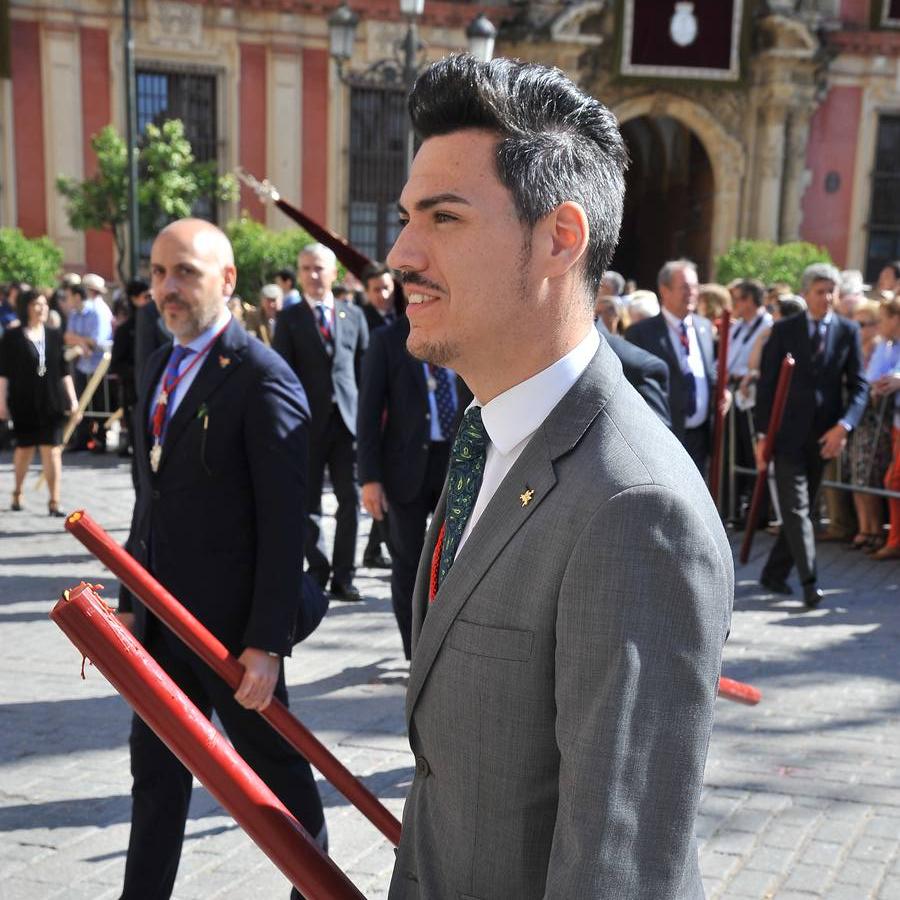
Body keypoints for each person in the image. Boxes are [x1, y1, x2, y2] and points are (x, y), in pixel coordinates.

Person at [385, 54, 732, 899]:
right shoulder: (486, 437)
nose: (399, 254)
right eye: (406, 217)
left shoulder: (634, 509)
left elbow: (617, 870)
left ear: (559, 238)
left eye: (445, 218)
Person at [116, 218, 325, 900]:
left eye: (186, 273)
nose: (167, 289)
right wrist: (127, 601)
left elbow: (287, 522)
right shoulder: (158, 363)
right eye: (157, 274)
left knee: (284, 794)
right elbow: (151, 498)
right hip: (160, 627)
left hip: (230, 640)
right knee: (155, 786)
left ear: (228, 281)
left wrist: (266, 643)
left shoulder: (262, 378)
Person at [358, 314, 471, 659]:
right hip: (403, 470)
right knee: (408, 562)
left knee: (457, 559)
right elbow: (368, 411)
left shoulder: (465, 329)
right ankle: (416, 653)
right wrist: (369, 479)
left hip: (458, 462)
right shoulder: (387, 340)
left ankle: (449, 649)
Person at [756, 263, 869, 608]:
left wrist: (844, 426)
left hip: (825, 438)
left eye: (831, 291)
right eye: (820, 291)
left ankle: (774, 573)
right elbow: (767, 385)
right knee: (798, 508)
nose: (827, 297)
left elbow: (859, 386)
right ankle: (809, 582)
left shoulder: (848, 331)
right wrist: (763, 434)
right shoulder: (785, 330)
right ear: (806, 295)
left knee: (798, 512)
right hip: (787, 436)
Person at [273, 243, 369, 601]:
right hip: (307, 426)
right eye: (306, 269)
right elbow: (282, 375)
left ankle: (345, 575)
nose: (313, 275)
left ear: (334, 274)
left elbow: (363, 369)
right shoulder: (290, 318)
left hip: (347, 423)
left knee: (350, 500)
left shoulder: (353, 315)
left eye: (319, 268)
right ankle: (318, 568)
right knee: (308, 502)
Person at [626, 259, 722, 474]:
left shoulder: (704, 327)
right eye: (685, 287)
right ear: (664, 290)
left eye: (695, 287)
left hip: (701, 438)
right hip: (663, 437)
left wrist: (722, 391)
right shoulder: (641, 333)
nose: (692, 293)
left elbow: (707, 373)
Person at [0, 290, 79, 514]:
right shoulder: (12, 336)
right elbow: (3, 373)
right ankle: (17, 492)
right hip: (23, 400)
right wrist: (1, 402)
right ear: (26, 307)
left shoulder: (54, 334)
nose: (42, 308)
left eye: (44, 304)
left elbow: (64, 371)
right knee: (24, 449)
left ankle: (54, 501)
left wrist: (72, 400)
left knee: (52, 450)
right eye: (37, 304)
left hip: (51, 400)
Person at [849, 298, 900, 552]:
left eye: (883, 319)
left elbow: (889, 378)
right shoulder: (887, 346)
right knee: (865, 475)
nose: (880, 325)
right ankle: (867, 530)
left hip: (884, 420)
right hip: (880, 419)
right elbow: (873, 379)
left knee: (885, 477)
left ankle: (885, 535)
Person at [359, 262, 399, 569]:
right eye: (376, 290)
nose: (383, 295)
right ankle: (376, 546)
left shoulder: (401, 319)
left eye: (387, 287)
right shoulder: (364, 321)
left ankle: (375, 546)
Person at [64, 281, 113, 452]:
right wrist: (83, 343)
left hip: (99, 366)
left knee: (99, 404)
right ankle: (81, 439)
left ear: (77, 296)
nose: (66, 300)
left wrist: (81, 342)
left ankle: (100, 440)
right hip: (82, 365)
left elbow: (96, 341)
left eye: (68, 296)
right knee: (82, 403)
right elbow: (67, 337)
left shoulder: (98, 312)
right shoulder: (73, 314)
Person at [110, 278, 152, 460]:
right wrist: (141, 371)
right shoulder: (126, 330)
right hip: (134, 394)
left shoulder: (161, 325)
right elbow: (117, 364)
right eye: (147, 296)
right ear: (135, 299)